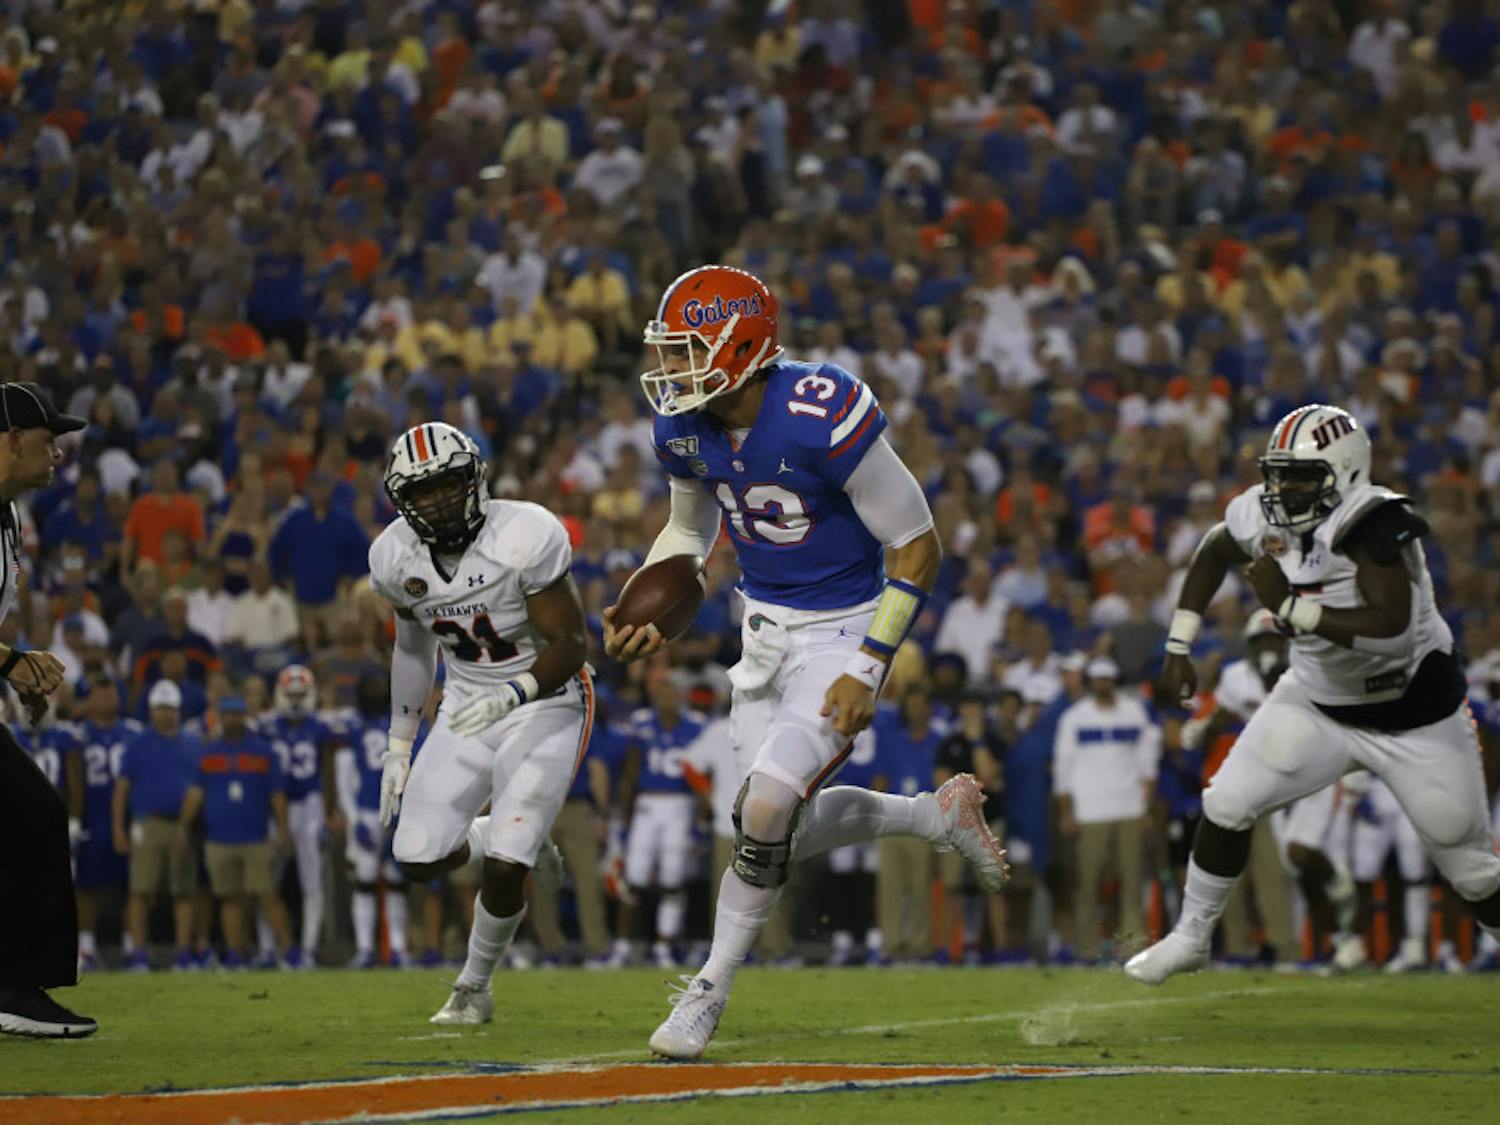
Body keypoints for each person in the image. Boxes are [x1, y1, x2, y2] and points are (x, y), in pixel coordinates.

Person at [604, 266, 1007, 1058]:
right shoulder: (683, 427)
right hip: (763, 633)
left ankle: (706, 990)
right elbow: (690, 533)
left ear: (742, 346)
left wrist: (870, 663)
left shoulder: (820, 409)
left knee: (763, 814)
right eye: (671, 352)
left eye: (689, 351)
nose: (673, 370)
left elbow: (917, 544)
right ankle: (934, 814)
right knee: (768, 824)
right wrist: (645, 596)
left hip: (845, 629)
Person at [1127, 404, 1500, 984]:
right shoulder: (1263, 515)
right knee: (1226, 803)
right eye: (1277, 473)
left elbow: (1395, 632)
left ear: (1343, 471)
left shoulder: (1371, 521)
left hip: (1414, 715)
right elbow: (1213, 551)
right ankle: (1191, 936)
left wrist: (1290, 607)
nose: (1282, 488)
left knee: (1472, 870)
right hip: (1319, 701)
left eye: (1301, 475)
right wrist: (1180, 644)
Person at [369, 420, 582, 1025]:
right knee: (416, 857)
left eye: (447, 484)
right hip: (466, 702)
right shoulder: (392, 557)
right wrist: (399, 744)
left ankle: (473, 988)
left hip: (546, 696)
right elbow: (412, 649)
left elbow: (571, 643)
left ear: (476, 477)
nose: (436, 500)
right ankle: (504, 837)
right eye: (422, 492)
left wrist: (516, 690)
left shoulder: (525, 532)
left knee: (508, 859)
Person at [0, 381, 97, 1037]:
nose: (59, 453)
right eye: (47, 440)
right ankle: (15, 989)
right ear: (10, 441)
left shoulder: (10, 515)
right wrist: (11, 663)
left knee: (26, 817)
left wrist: (17, 669)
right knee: (33, 815)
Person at [1053, 656, 1161, 961]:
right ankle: (1086, 947)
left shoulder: (1134, 713)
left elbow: (1147, 763)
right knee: (1087, 884)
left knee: (1131, 882)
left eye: (1108, 678)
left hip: (1130, 808)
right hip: (1089, 810)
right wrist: (1066, 811)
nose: (1103, 683)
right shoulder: (1075, 717)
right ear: (1091, 681)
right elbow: (1064, 767)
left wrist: (1147, 808)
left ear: (1114, 680)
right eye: (1098, 678)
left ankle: (1132, 947)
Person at [177, 696, 295, 968]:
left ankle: (289, 951)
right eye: (227, 715)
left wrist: (283, 828)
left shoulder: (262, 752)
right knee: (229, 898)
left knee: (267, 895)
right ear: (220, 718)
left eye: (236, 715)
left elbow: (277, 795)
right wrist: (183, 826)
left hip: (255, 837)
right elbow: (195, 793)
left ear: (244, 717)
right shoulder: (209, 753)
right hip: (219, 838)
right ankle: (234, 953)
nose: (232, 719)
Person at [615, 672, 706, 969]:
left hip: (680, 805)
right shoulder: (642, 722)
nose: (666, 699)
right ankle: (622, 946)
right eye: (662, 693)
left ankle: (664, 947)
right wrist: (623, 816)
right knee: (634, 878)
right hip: (646, 803)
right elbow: (630, 771)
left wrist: (702, 816)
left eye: (671, 693)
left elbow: (704, 774)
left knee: (672, 879)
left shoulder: (695, 725)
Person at [112, 679, 200, 971]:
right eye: (161, 708)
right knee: (140, 889)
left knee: (183, 890)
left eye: (170, 708)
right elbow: (122, 788)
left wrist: (187, 825)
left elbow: (199, 787)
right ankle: (138, 951)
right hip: (147, 822)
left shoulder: (192, 743)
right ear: (151, 710)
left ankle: (184, 952)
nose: (166, 713)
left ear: (178, 710)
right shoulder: (137, 744)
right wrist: (118, 827)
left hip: (182, 824)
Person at [259, 665, 341, 961]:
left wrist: (329, 813)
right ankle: (268, 948)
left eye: (300, 694)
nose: (295, 700)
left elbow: (329, 772)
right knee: (266, 881)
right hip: (275, 806)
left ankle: (306, 948)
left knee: (312, 878)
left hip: (309, 804)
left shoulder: (321, 727)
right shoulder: (265, 726)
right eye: (290, 694)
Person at [337, 675, 409, 968]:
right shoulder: (358, 730)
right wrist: (355, 820)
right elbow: (344, 779)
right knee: (366, 881)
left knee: (394, 880)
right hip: (371, 812)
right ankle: (366, 948)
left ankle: (397, 949)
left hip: (386, 812)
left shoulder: (367, 730)